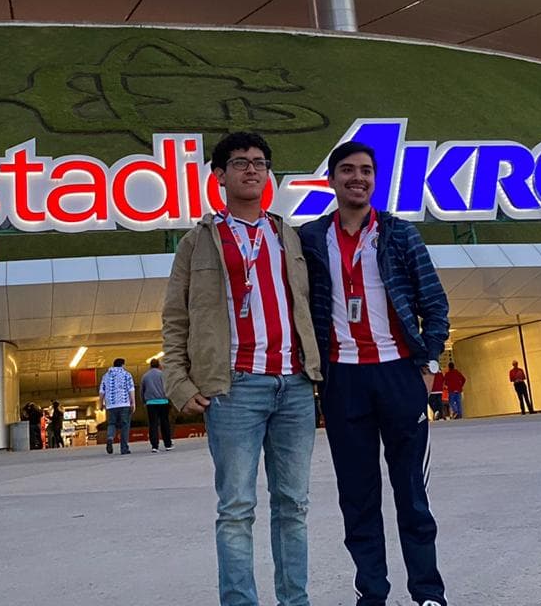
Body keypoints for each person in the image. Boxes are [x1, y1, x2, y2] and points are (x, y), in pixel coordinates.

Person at [161, 130, 320, 606]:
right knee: (235, 509)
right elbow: (175, 317)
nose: (252, 169)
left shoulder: (287, 234)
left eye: (260, 162)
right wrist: (178, 382)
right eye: (240, 162)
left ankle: (295, 601)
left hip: (293, 387)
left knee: (293, 506)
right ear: (220, 175)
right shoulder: (198, 241)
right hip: (234, 389)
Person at [301, 140, 450, 606]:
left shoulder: (400, 234)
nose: (357, 178)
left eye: (366, 170)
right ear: (332, 179)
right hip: (343, 379)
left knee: (411, 493)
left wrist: (427, 366)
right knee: (358, 497)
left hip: (398, 375)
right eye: (347, 170)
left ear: (374, 179)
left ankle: (427, 592)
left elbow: (435, 305)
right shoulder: (308, 238)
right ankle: (372, 593)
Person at [99, 358, 136, 455]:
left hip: (111, 405)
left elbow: (102, 391)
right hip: (124, 403)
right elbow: (131, 389)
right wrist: (133, 402)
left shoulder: (105, 376)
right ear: (123, 365)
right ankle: (124, 448)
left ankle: (110, 438)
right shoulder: (126, 375)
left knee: (112, 424)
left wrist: (100, 404)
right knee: (125, 425)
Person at [141, 358, 174, 453]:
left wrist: (144, 401)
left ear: (150, 365)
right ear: (159, 365)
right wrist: (169, 400)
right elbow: (168, 388)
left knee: (153, 424)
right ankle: (167, 444)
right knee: (165, 423)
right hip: (163, 402)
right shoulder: (163, 375)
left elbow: (142, 390)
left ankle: (154, 446)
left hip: (150, 403)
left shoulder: (145, 376)